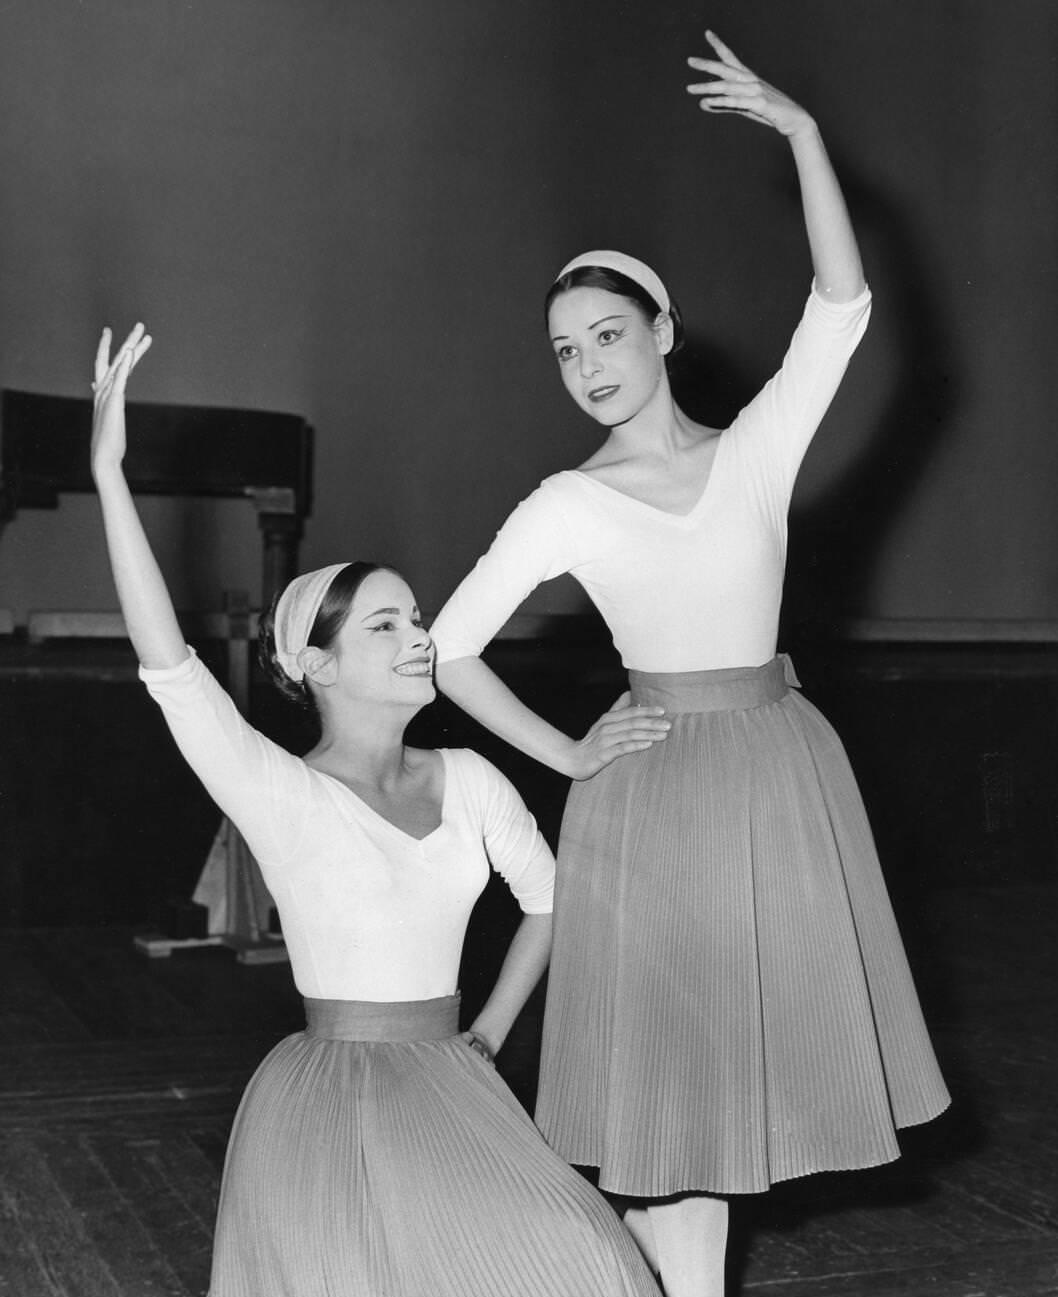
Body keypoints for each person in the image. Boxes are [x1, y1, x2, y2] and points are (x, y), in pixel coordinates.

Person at [431, 30, 950, 1297]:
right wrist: (566, 751)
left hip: (775, 776)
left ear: (661, 329)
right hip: (649, 792)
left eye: (606, 334)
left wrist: (802, 136)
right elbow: (447, 650)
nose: (589, 366)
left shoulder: (756, 450)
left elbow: (841, 308)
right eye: (565, 351)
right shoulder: (563, 501)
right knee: (665, 1111)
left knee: (726, 1098)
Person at [89, 325, 661, 1297]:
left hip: (449, 1078)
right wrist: (108, 475)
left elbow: (551, 897)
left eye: (418, 618)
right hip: (324, 1101)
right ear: (313, 661)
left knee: (588, 1261)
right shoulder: (283, 795)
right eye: (385, 624)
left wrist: (485, 1031)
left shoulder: (470, 780)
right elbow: (170, 670)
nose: (419, 638)